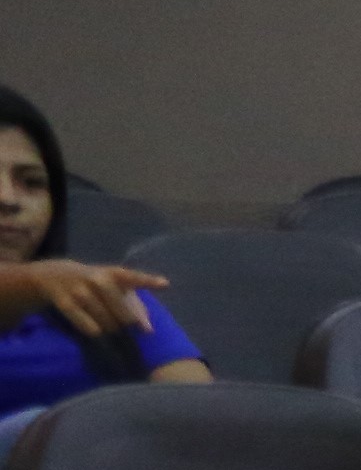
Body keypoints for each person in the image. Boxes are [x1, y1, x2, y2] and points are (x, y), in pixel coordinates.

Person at [0, 83, 207, 421]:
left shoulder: (107, 298)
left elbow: (198, 420)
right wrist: (35, 282)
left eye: (33, 182)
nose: (8, 199)